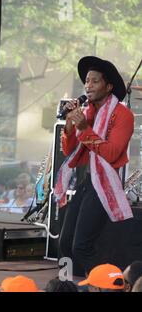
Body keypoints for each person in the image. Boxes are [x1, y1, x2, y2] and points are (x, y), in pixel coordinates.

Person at [54, 56, 134, 275]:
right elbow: (68, 151)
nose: (88, 86)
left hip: (105, 183)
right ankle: (65, 284)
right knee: (65, 243)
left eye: (94, 81)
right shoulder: (87, 112)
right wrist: (70, 123)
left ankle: (110, 286)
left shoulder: (123, 115)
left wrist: (84, 129)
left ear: (108, 87)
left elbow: (111, 153)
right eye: (87, 81)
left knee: (82, 246)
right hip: (87, 181)